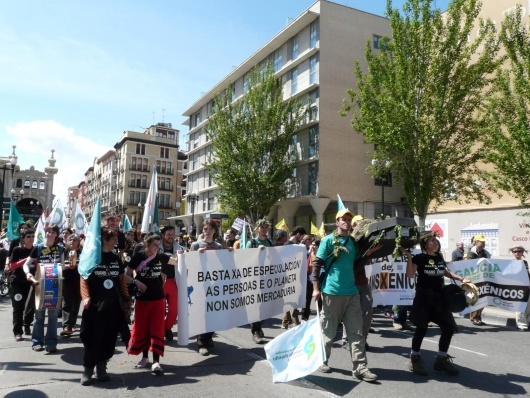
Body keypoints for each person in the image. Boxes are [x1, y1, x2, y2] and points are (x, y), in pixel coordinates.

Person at [311, 209, 381, 382]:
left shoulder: (352, 242)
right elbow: (316, 264)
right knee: (329, 330)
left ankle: (360, 368)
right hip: (332, 293)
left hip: (352, 293)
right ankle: (322, 359)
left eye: (349, 220)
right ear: (337, 222)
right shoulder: (328, 240)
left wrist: (368, 255)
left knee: (356, 332)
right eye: (344, 219)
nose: (347, 222)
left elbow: (356, 266)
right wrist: (315, 288)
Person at [401, 232, 471, 376]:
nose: (436, 242)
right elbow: (409, 274)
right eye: (433, 240)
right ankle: (414, 358)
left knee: (448, 328)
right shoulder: (419, 258)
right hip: (423, 299)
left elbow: (446, 272)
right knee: (421, 329)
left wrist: (461, 279)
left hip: (439, 299)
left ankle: (441, 359)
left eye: (436, 240)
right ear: (425, 244)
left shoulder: (439, 257)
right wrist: (409, 257)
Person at [79, 227, 131, 386]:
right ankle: (88, 370)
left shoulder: (116, 259)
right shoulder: (92, 258)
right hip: (95, 306)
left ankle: (102, 367)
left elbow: (121, 279)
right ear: (104, 240)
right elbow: (83, 278)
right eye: (113, 239)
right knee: (93, 338)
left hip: (113, 306)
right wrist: (85, 297)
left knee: (109, 338)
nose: (116, 241)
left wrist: (126, 298)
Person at [126, 234, 179, 375]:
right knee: (143, 329)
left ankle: (156, 362)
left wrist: (183, 254)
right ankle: (144, 358)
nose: (157, 247)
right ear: (146, 244)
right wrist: (136, 281)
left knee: (157, 329)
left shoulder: (160, 256)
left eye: (158, 244)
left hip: (158, 299)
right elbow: (126, 276)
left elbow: (177, 262)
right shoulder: (137, 257)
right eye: (154, 244)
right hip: (142, 300)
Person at [190, 220, 232, 355]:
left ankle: (208, 337)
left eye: (209, 229)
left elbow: (223, 262)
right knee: (202, 313)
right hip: (200, 284)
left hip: (215, 284)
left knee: (214, 311)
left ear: (214, 231)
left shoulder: (219, 246)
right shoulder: (195, 245)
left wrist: (229, 252)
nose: (206, 231)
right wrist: (197, 255)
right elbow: (189, 263)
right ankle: (201, 342)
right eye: (205, 229)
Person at [23, 224, 65, 353]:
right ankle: (37, 342)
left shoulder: (60, 249)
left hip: (55, 286)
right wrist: (28, 274)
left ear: (56, 235)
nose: (50, 234)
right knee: (39, 316)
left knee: (52, 316)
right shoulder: (38, 248)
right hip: (40, 286)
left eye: (53, 232)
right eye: (48, 232)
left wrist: (57, 270)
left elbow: (62, 265)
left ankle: (51, 343)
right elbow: (26, 264)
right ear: (45, 233)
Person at [246, 219, 272, 343]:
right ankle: (255, 331)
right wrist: (257, 251)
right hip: (255, 279)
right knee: (256, 305)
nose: (264, 229)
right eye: (262, 227)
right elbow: (246, 258)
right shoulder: (252, 242)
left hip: (266, 278)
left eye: (266, 227)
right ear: (257, 229)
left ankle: (259, 326)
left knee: (265, 305)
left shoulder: (269, 242)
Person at [6, 228, 35, 341]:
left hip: (31, 283)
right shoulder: (17, 250)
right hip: (17, 282)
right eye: (28, 236)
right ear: (23, 239)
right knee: (18, 308)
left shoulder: (37, 250)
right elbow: (12, 266)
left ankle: (27, 325)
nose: (31, 239)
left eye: (33, 236)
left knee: (30, 307)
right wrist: (27, 260)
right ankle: (17, 332)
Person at [158, 225, 186, 341]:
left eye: (172, 234)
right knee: (160, 309)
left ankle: (167, 328)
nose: (170, 237)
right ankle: (159, 330)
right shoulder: (156, 247)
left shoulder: (180, 248)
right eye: (168, 234)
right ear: (163, 235)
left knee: (174, 309)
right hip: (159, 282)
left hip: (173, 282)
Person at [281, 226, 307, 329]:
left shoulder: (296, 246)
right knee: (292, 302)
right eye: (302, 237)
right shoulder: (287, 245)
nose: (302, 239)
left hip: (294, 277)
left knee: (291, 301)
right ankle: (296, 324)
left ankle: (285, 321)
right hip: (288, 278)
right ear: (298, 234)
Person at [466, 234, 491, 326]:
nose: (483, 243)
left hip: (484, 279)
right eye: (481, 241)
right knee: (476, 298)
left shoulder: (485, 253)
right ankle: (474, 317)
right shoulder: (471, 253)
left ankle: (478, 317)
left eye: (484, 242)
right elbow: (470, 265)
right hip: (475, 279)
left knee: (483, 298)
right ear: (476, 242)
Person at [61, 234, 82, 337]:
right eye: (70, 240)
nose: (72, 242)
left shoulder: (82, 253)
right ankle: (66, 325)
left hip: (79, 281)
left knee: (76, 303)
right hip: (67, 280)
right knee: (67, 303)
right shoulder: (64, 252)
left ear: (78, 242)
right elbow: (60, 265)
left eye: (74, 240)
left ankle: (71, 324)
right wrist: (67, 267)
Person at [511, 245, 530, 330]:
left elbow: (527, 274)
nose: (517, 253)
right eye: (515, 251)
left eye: (519, 251)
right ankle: (521, 325)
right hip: (517, 287)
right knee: (519, 306)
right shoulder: (511, 263)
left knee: (528, 306)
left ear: (522, 253)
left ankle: (527, 322)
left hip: (526, 286)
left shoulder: (525, 262)